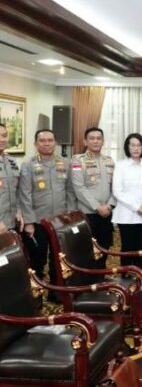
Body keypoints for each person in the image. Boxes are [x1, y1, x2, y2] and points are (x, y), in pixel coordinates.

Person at [18, 129, 74, 301]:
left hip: (60, 220)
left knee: (59, 258)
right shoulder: (28, 165)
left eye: (50, 140)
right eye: (42, 141)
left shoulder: (65, 163)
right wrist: (29, 222)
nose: (47, 143)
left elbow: (70, 191)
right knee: (37, 260)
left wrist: (70, 215)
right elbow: (24, 195)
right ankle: (36, 296)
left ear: (55, 143)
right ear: (36, 144)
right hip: (37, 222)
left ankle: (56, 292)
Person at [70, 127, 115, 268]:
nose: (96, 141)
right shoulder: (78, 161)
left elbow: (116, 187)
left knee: (104, 247)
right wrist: (97, 207)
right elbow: (79, 187)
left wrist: (110, 205)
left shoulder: (109, 161)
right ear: (85, 141)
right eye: (92, 138)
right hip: (88, 214)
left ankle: (101, 276)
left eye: (99, 138)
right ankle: (89, 279)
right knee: (87, 250)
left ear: (103, 141)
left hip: (107, 212)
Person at [111, 133, 142, 268]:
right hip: (126, 215)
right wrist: (137, 207)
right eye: (133, 145)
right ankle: (125, 276)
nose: (136, 148)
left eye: (139, 145)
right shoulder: (121, 165)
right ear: (127, 147)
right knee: (127, 248)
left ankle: (139, 276)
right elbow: (117, 191)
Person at [0, 123, 23, 234]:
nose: (1, 139)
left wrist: (19, 212)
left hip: (12, 223)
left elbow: (17, 191)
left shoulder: (11, 161)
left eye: (4, 136)